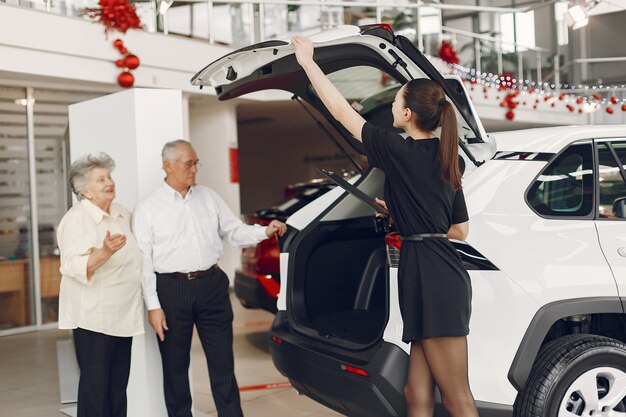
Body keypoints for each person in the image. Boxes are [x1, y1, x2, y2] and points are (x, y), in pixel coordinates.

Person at [292, 36, 477, 417]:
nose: (392, 105)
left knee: (457, 397)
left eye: (395, 101)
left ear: (408, 114)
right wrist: (401, 214)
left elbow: (344, 114)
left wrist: (309, 64)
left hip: (432, 279)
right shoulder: (447, 158)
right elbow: (459, 230)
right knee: (415, 393)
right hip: (431, 272)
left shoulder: (400, 149)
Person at [132, 139, 287, 417]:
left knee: (222, 364)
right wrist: (153, 306)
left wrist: (264, 232)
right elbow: (144, 262)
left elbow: (234, 232)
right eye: (188, 164)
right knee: (175, 368)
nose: (194, 170)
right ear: (167, 166)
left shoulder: (209, 197)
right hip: (171, 291)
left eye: (196, 163)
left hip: (212, 286)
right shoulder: (148, 208)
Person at [57, 153, 144, 417]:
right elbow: (70, 265)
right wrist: (104, 252)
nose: (109, 182)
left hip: (123, 315)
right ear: (85, 190)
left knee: (117, 388)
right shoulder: (77, 218)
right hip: (94, 318)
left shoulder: (121, 213)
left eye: (109, 177)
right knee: (96, 390)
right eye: (101, 179)